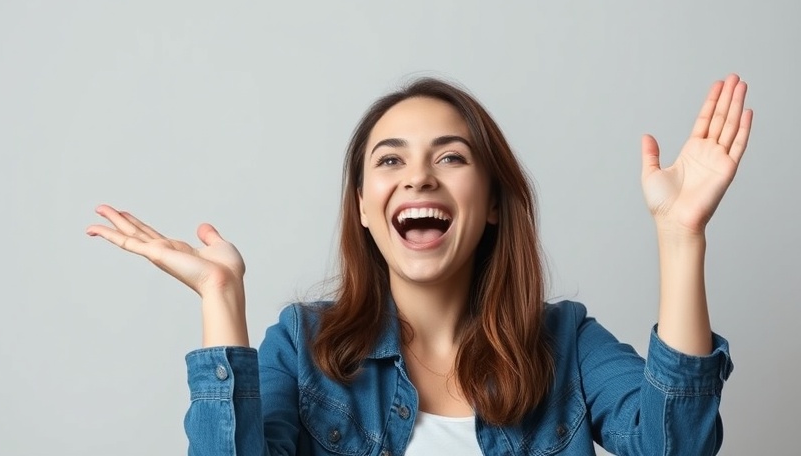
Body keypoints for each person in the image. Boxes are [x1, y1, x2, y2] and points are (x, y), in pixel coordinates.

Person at [86, 74, 751, 455]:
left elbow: (678, 448)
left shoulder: (569, 345)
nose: (419, 178)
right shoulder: (303, 346)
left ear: (491, 203)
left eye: (451, 157)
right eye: (391, 160)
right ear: (366, 210)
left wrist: (680, 237)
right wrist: (221, 301)